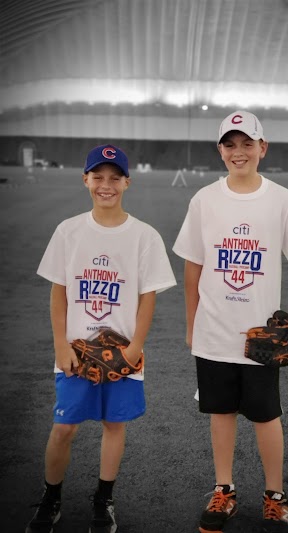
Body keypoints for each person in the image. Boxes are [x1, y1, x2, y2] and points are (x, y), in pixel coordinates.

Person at [172, 111, 288, 533]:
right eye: (229, 144)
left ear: (263, 147)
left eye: (246, 143)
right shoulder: (204, 199)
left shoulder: (281, 199)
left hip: (261, 336)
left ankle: (275, 496)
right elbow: (193, 269)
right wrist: (191, 325)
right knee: (220, 412)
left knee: (265, 414)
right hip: (213, 331)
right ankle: (224, 491)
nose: (238, 152)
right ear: (220, 150)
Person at [26, 144, 176, 533]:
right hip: (75, 349)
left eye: (114, 178)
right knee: (64, 428)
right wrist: (60, 344)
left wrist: (135, 348)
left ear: (127, 181)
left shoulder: (144, 236)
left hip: (122, 351)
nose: (105, 185)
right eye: (98, 177)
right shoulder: (69, 231)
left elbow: (148, 299)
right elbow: (58, 293)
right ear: (85, 180)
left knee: (114, 424)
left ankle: (103, 500)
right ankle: (51, 498)